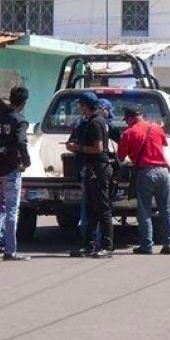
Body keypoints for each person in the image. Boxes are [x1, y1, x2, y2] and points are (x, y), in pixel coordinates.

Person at [0, 88, 32, 261]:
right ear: (24, 102)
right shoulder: (19, 120)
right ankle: (10, 251)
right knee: (12, 211)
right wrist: (26, 162)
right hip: (10, 170)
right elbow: (21, 142)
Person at [118, 107, 170, 255]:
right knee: (166, 209)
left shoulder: (128, 133)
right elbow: (163, 144)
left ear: (130, 118)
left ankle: (146, 246)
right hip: (163, 172)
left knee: (145, 212)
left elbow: (120, 157)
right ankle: (168, 243)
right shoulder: (156, 127)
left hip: (145, 173)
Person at [66, 92, 114, 258]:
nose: (79, 108)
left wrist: (76, 148)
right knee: (92, 208)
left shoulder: (96, 123)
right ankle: (90, 245)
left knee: (102, 208)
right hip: (92, 168)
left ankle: (107, 246)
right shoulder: (91, 121)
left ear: (85, 105)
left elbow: (98, 148)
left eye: (80, 105)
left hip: (98, 168)